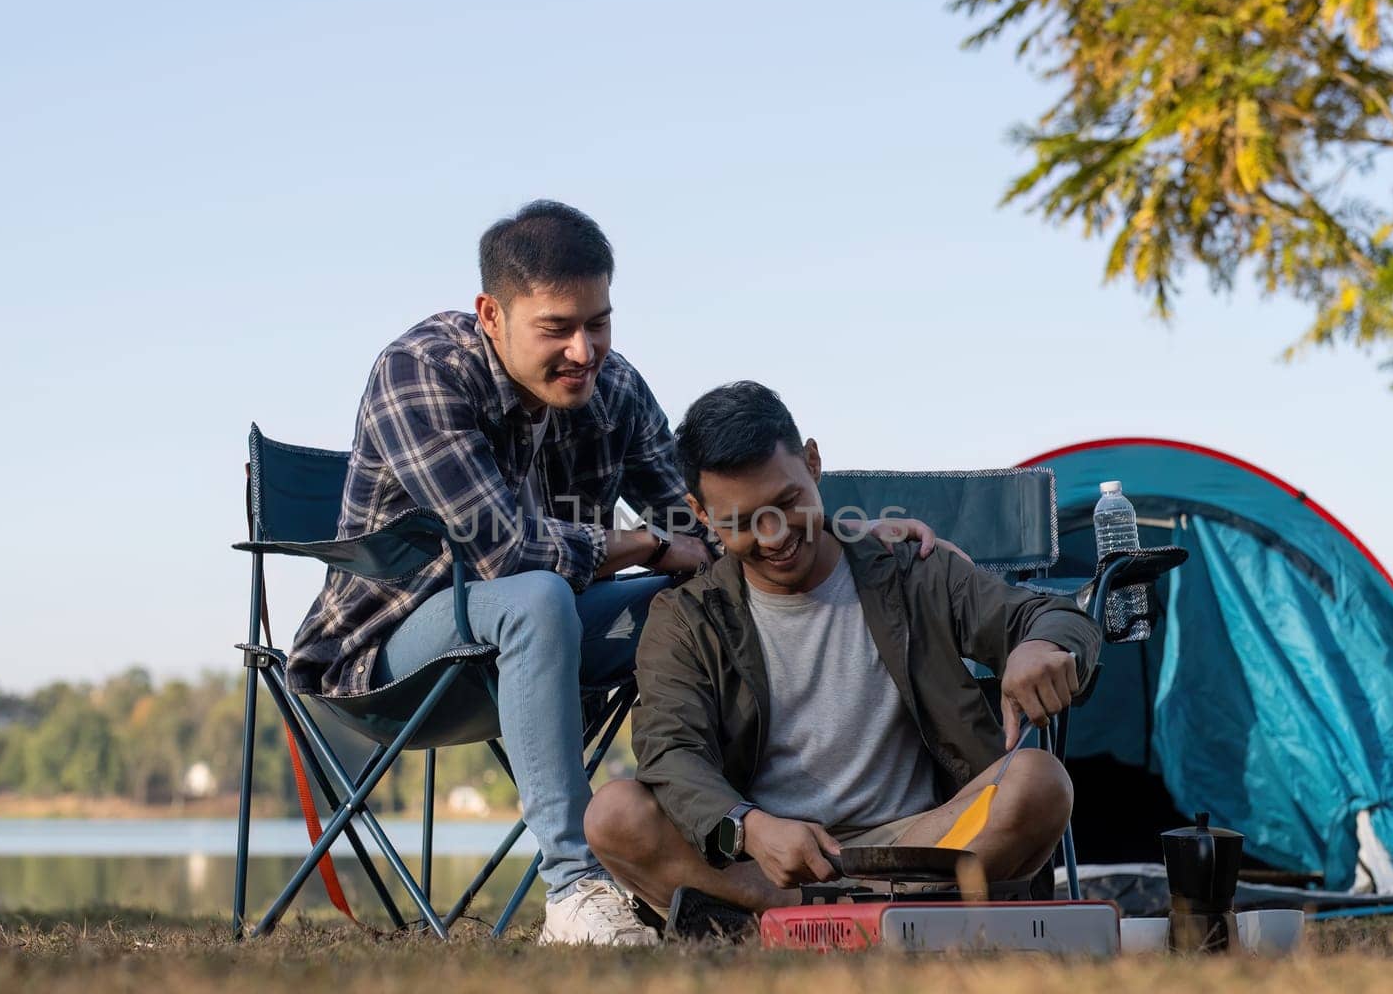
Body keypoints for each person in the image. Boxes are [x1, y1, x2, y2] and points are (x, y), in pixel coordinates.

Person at [287, 204, 940, 945]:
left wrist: (842, 535)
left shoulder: (615, 389)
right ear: (491, 315)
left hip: (543, 642)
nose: (583, 349)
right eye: (557, 327)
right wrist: (643, 546)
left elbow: (711, 524)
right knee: (537, 595)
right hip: (387, 662)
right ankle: (573, 886)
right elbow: (508, 552)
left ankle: (738, 840)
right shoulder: (423, 371)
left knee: (694, 603)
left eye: (598, 322)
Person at [584, 381, 1102, 920]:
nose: (774, 536)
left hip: (920, 843)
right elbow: (671, 754)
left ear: (813, 463)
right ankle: (873, 916)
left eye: (788, 503)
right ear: (702, 512)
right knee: (614, 813)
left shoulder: (910, 567)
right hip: (769, 856)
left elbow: (1049, 615)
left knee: (1040, 782)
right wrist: (749, 828)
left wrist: (1039, 644)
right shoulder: (686, 618)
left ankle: (805, 921)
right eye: (740, 522)